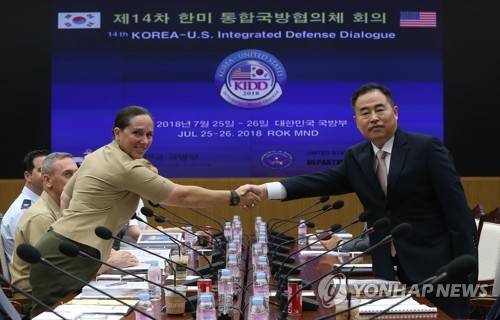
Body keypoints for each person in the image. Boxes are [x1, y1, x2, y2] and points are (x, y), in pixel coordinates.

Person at [240, 83, 478, 319]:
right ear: (356, 121)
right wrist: (264, 190)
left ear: (394, 112)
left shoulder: (426, 149)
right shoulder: (357, 157)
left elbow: (458, 214)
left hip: (440, 267)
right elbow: (321, 181)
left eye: (379, 109)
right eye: (365, 113)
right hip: (390, 269)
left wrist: (466, 275)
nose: (373, 117)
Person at [28, 106, 260, 318]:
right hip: (67, 256)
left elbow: (67, 197)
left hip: (63, 247)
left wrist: (77, 229)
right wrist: (233, 196)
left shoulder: (99, 154)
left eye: (149, 135)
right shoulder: (124, 167)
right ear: (117, 133)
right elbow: (182, 196)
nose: (144, 140)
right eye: (137, 133)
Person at [9, 152, 139, 302]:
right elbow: (53, 272)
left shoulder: (67, 209)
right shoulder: (41, 217)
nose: (76, 180)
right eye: (68, 174)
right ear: (47, 180)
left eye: (78, 174)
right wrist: (109, 264)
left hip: (66, 291)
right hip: (38, 301)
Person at [1, 149, 50, 267]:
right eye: (41, 170)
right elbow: (40, 261)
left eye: (51, 171)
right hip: (30, 281)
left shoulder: (41, 204)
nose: (48, 175)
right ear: (28, 176)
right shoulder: (25, 212)